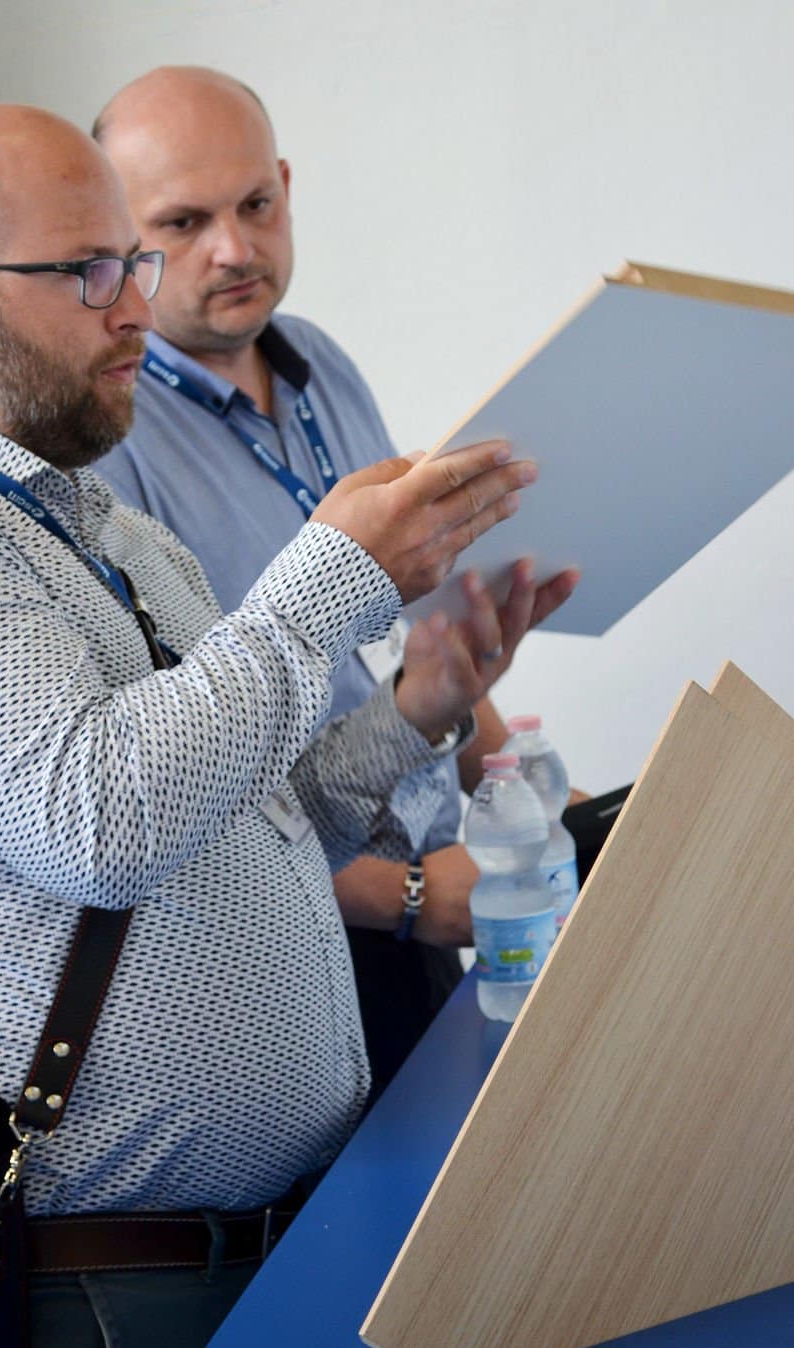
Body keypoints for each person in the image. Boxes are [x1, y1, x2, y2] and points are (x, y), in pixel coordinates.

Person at [0, 103, 572, 1348]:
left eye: (131, 264)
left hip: (260, 1243)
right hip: (93, 1291)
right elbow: (102, 823)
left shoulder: (110, 533)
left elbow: (255, 821)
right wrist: (331, 575)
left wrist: (417, 707)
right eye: (90, 271)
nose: (137, 307)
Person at [91, 67, 540, 1096]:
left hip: (441, 894)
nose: (234, 248)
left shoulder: (320, 364)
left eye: (256, 204)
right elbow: (172, 803)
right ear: (116, 239)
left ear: (287, 185)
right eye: (183, 222)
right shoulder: (109, 444)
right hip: (305, 935)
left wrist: (523, 791)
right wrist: (411, 897)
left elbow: (418, 640)